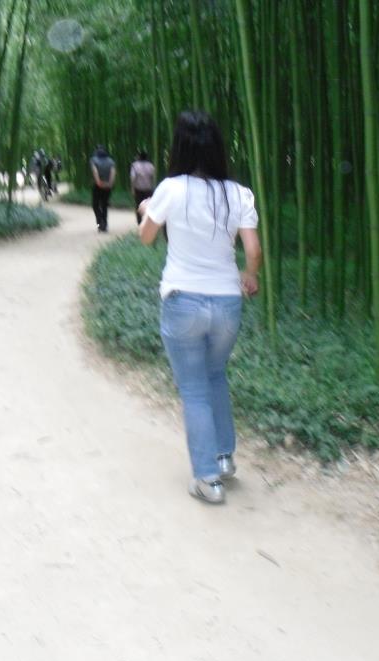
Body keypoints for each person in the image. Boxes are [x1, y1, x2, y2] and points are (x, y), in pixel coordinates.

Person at [137, 110, 263, 504]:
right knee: (215, 375)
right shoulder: (238, 193)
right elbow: (253, 249)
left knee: (193, 389)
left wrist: (145, 212)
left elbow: (146, 237)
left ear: (180, 148)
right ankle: (224, 458)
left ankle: (207, 478)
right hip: (227, 302)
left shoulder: (171, 189)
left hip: (183, 301)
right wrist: (250, 275)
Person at [89, 145, 116, 232]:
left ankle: (100, 223)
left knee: (95, 205)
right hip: (107, 186)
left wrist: (98, 182)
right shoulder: (111, 161)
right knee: (104, 205)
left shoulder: (93, 160)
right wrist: (110, 183)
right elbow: (113, 172)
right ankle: (104, 224)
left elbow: (95, 171)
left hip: (98, 185)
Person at [129, 151, 157, 224]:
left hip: (138, 189)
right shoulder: (151, 166)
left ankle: (139, 222)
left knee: (138, 205)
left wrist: (132, 188)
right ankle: (147, 221)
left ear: (139, 157)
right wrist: (153, 187)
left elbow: (133, 178)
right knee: (148, 206)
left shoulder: (135, 165)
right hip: (148, 189)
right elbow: (153, 178)